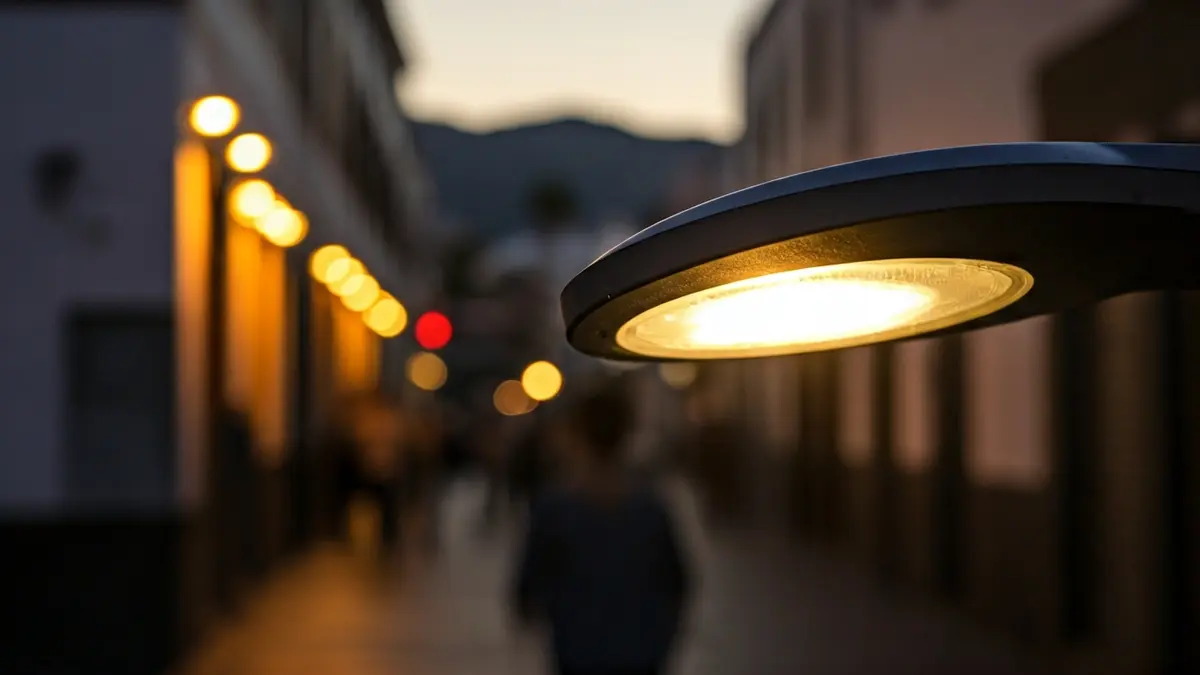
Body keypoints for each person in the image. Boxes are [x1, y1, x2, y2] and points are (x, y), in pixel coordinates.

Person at [510, 379, 693, 675]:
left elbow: (529, 585)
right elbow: (678, 581)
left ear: (578, 436)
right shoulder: (650, 508)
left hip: (578, 649)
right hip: (643, 651)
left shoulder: (554, 509)